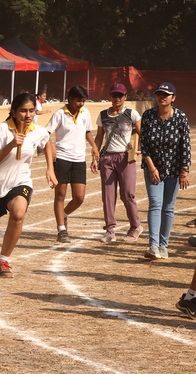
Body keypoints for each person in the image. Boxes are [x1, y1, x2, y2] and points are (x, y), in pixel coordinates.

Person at [0, 93, 57, 285]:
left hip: (20, 183)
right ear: (13, 112)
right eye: (23, 111)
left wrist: (50, 168)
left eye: (31, 111)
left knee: (18, 214)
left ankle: (3, 261)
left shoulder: (36, 131)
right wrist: (11, 144)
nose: (28, 115)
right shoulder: (2, 130)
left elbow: (47, 141)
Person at [140, 82, 191, 259]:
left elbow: (185, 145)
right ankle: (153, 245)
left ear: (173, 98)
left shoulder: (180, 117)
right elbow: (144, 144)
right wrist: (151, 167)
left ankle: (164, 245)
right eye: (159, 94)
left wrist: (184, 171)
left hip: (174, 169)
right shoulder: (148, 116)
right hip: (153, 168)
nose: (162, 97)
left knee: (168, 207)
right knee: (155, 203)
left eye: (166, 94)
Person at [46, 86, 99, 243]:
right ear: (70, 99)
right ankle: (61, 229)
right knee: (60, 195)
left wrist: (94, 146)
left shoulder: (85, 112)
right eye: (78, 101)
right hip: (62, 158)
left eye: (83, 101)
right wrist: (52, 146)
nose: (81, 104)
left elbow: (87, 131)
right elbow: (46, 133)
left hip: (79, 160)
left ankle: (64, 215)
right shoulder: (59, 114)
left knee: (79, 197)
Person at [94, 84, 143, 243]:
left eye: (120, 95)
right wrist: (95, 156)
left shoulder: (131, 113)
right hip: (107, 158)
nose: (117, 98)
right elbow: (99, 137)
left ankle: (135, 226)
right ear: (110, 96)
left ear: (125, 97)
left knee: (127, 194)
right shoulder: (103, 115)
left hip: (126, 158)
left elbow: (142, 133)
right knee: (108, 196)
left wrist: (139, 148)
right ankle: (110, 230)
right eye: (114, 95)